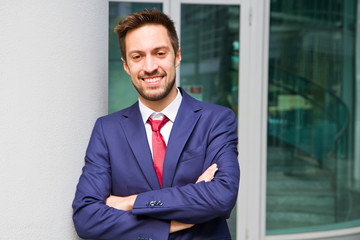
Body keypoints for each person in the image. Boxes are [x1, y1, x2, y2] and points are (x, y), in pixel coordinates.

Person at [72, 9, 240, 240]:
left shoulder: (216, 120)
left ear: (177, 56)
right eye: (137, 56)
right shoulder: (107, 130)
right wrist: (173, 222)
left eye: (159, 53)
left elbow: (222, 196)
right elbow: (86, 218)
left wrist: (131, 202)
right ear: (126, 65)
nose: (150, 67)